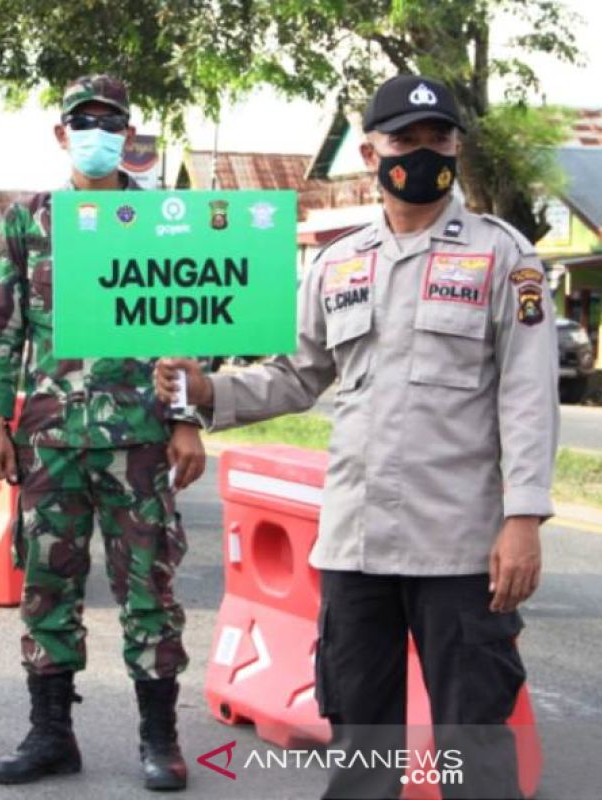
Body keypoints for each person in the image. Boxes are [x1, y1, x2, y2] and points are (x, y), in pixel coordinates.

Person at [156, 75, 558, 799]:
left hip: (460, 547)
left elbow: (529, 396)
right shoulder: (338, 262)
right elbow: (296, 375)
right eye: (405, 140)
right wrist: (210, 391)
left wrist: (523, 519)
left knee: (475, 742)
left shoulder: (505, 257)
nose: (423, 153)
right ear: (371, 151)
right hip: (355, 544)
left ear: (457, 146)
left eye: (438, 138)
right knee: (362, 739)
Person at [0, 75, 206, 792]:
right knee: (48, 586)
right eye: (85, 121)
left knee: (149, 589)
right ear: (61, 133)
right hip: (48, 440)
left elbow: (190, 328)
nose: (98, 132)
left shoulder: (164, 221)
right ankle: (51, 735)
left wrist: (187, 422)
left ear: (129, 134)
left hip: (138, 439)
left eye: (111, 121)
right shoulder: (28, 221)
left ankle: (159, 739)